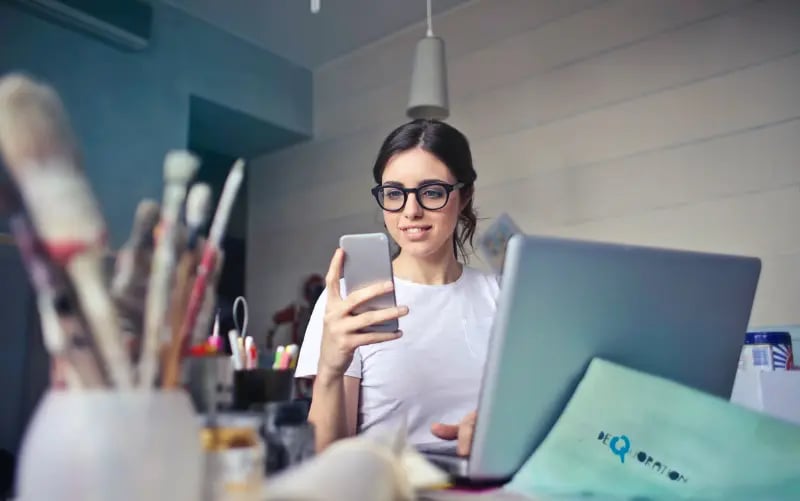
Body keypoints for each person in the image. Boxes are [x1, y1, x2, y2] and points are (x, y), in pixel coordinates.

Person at [295, 119, 499, 456]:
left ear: (464, 196)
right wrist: (330, 370)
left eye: (432, 192)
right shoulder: (350, 301)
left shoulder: (502, 296)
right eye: (394, 193)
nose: (411, 211)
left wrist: (495, 431)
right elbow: (325, 460)